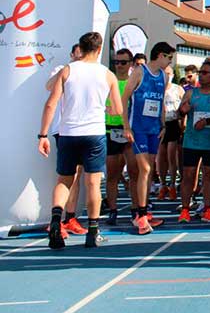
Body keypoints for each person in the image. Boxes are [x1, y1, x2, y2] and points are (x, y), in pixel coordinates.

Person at [37, 32, 122, 249]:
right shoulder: (107, 74)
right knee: (93, 183)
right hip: (94, 133)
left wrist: (43, 135)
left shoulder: (68, 70)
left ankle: (56, 221)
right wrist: (106, 107)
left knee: (64, 180)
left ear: (80, 48)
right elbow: (117, 109)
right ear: (99, 48)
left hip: (68, 132)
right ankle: (93, 232)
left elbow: (51, 103)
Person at [122, 41, 175, 235]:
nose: (170, 62)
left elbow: (160, 102)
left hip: (154, 128)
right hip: (138, 128)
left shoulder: (164, 76)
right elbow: (125, 97)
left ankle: (143, 212)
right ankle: (141, 214)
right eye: (169, 57)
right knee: (144, 169)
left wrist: (162, 125)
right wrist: (126, 126)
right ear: (160, 55)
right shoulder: (140, 71)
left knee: (148, 170)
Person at [45, 44, 87, 238]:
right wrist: (67, 69)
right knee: (65, 176)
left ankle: (70, 218)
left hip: (82, 129)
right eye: (77, 52)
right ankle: (57, 220)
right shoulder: (61, 70)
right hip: (62, 130)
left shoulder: (89, 73)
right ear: (72, 54)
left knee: (77, 175)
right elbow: (49, 86)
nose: (80, 56)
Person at [177, 61, 210, 223]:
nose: (201, 75)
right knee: (188, 175)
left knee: (209, 176)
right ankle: (185, 209)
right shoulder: (191, 94)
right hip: (191, 142)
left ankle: (208, 209)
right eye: (200, 72)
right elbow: (179, 113)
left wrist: (208, 121)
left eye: (205, 73)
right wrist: (182, 111)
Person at [105, 48, 139, 225]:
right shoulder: (107, 80)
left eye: (123, 62)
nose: (119, 65)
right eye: (116, 62)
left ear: (131, 64)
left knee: (134, 171)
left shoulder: (134, 82)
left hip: (130, 131)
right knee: (112, 174)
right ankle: (112, 210)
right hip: (110, 130)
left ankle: (136, 209)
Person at [157, 65, 183, 201]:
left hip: (173, 123)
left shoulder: (177, 89)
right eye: (163, 73)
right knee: (161, 156)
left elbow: (185, 105)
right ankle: (162, 185)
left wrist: (182, 123)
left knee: (172, 155)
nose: (166, 76)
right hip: (160, 124)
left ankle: (172, 184)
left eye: (168, 73)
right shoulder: (157, 88)